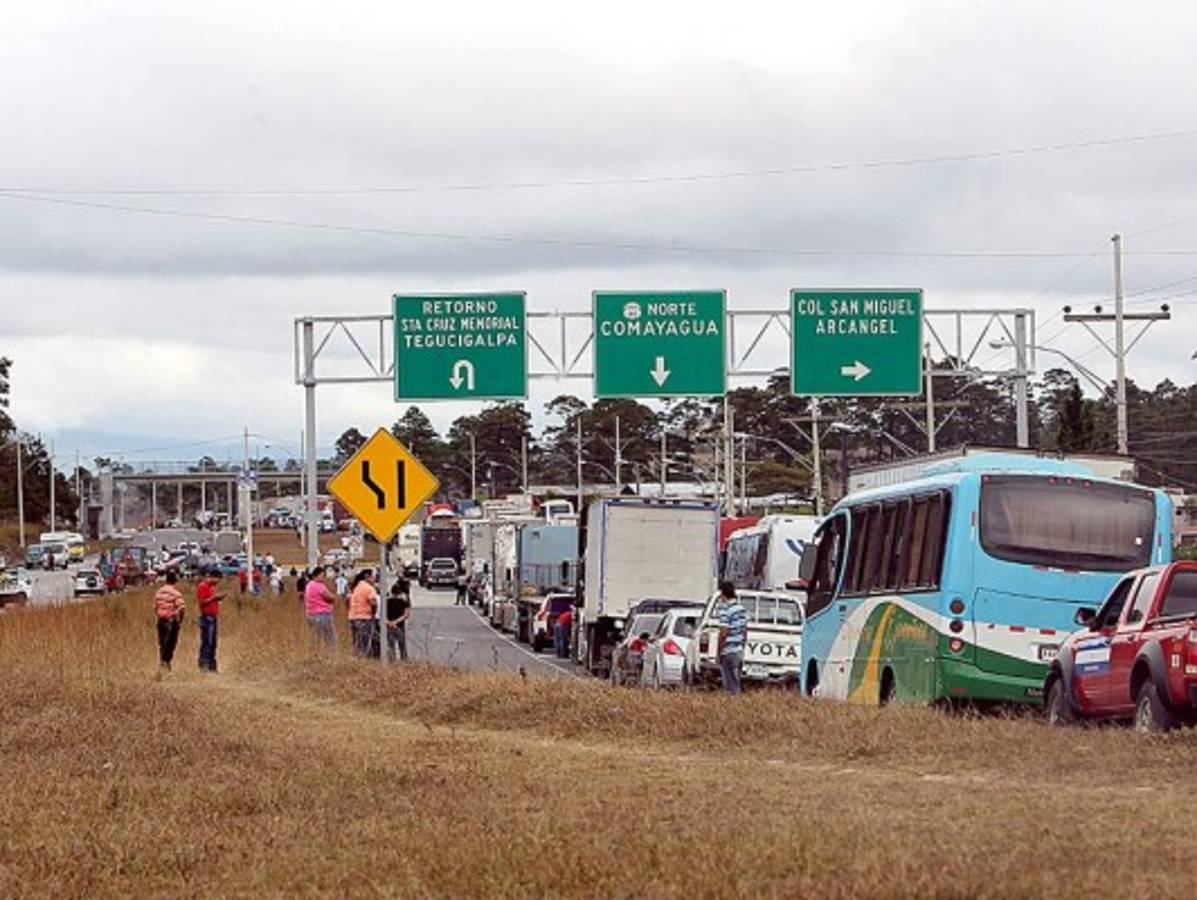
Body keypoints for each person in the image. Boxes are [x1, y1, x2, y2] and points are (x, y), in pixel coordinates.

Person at [716, 581, 748, 694]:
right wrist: (742, 646)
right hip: (738, 650)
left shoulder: (725, 610)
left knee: (730, 687)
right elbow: (744, 631)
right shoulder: (741, 609)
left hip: (728, 652)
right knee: (736, 682)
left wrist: (719, 652)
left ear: (723, 594)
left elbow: (723, 634)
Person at [153, 570, 186, 671]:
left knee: (162, 643)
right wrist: (180, 620)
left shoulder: (158, 592)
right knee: (170, 644)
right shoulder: (176, 593)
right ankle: (166, 664)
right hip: (171, 620)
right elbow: (181, 608)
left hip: (161, 620)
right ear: (175, 581)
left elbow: (155, 607)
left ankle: (162, 663)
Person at [196, 569, 226, 673]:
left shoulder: (212, 587)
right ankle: (204, 666)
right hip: (206, 617)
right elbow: (202, 602)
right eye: (218, 579)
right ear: (213, 577)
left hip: (213, 617)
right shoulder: (202, 586)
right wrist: (214, 598)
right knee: (207, 642)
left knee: (213, 643)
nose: (218, 582)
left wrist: (217, 599)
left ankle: (212, 666)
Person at [304, 565, 339, 647]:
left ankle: (315, 652)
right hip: (322, 614)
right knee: (330, 638)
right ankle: (330, 653)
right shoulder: (319, 586)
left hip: (310, 614)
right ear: (315, 576)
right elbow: (330, 597)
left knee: (314, 637)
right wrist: (333, 594)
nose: (323, 578)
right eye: (321, 575)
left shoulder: (309, 585)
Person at [347, 569, 379, 657]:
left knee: (356, 643)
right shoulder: (369, 588)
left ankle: (356, 660)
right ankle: (362, 660)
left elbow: (348, 600)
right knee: (364, 645)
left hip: (353, 617)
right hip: (365, 617)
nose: (374, 579)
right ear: (367, 577)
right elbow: (372, 602)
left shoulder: (355, 587)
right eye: (373, 577)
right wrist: (374, 612)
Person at [386, 581, 411, 661]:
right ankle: (404, 660)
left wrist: (389, 622)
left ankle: (392, 660)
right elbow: (406, 614)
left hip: (389, 626)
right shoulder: (403, 602)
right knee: (402, 645)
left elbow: (382, 614)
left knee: (390, 645)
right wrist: (396, 621)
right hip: (399, 626)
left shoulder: (386, 602)